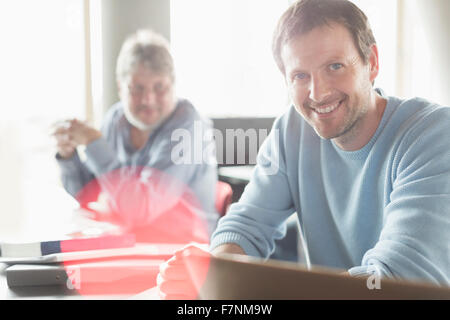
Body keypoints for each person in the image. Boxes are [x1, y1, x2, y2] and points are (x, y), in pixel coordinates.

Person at [157, 0, 450, 299]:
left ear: (372, 62)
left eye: (335, 66)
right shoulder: (293, 130)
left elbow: (394, 279)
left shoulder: (433, 134)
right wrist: (214, 271)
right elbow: (246, 225)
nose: (318, 93)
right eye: (300, 76)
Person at [53, 29, 219, 242]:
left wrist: (94, 143)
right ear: (121, 88)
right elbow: (87, 194)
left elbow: (141, 209)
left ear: (173, 85)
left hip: (180, 250)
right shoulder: (116, 118)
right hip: (130, 242)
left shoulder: (188, 125)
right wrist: (68, 156)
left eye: (159, 87)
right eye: (137, 89)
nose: (148, 99)